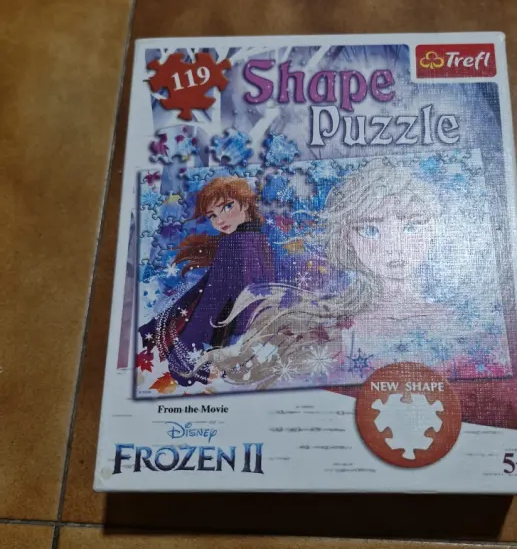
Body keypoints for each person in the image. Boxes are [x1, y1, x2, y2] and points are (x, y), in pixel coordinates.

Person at [194, 158, 475, 389]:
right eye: (370, 230)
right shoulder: (332, 326)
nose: (393, 246)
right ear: (347, 239)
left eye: (411, 226)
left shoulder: (456, 324)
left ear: (435, 228)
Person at [139, 176, 274, 386]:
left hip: (239, 323)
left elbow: (246, 291)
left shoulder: (245, 241)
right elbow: (216, 292)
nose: (219, 220)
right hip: (233, 323)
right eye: (212, 215)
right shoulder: (242, 240)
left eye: (227, 207)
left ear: (246, 203)